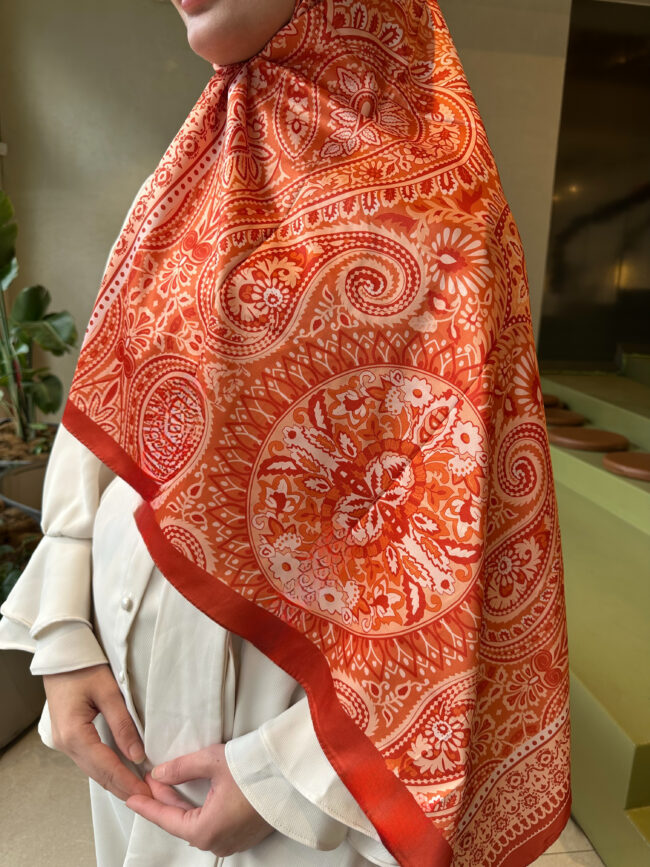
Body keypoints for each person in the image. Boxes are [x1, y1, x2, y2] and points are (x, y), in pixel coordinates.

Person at [0, 1, 572, 865]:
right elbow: (114, 399)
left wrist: (293, 776)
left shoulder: (444, 212)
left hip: (292, 747)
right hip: (124, 698)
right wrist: (61, 631)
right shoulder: (192, 171)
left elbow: (455, 540)